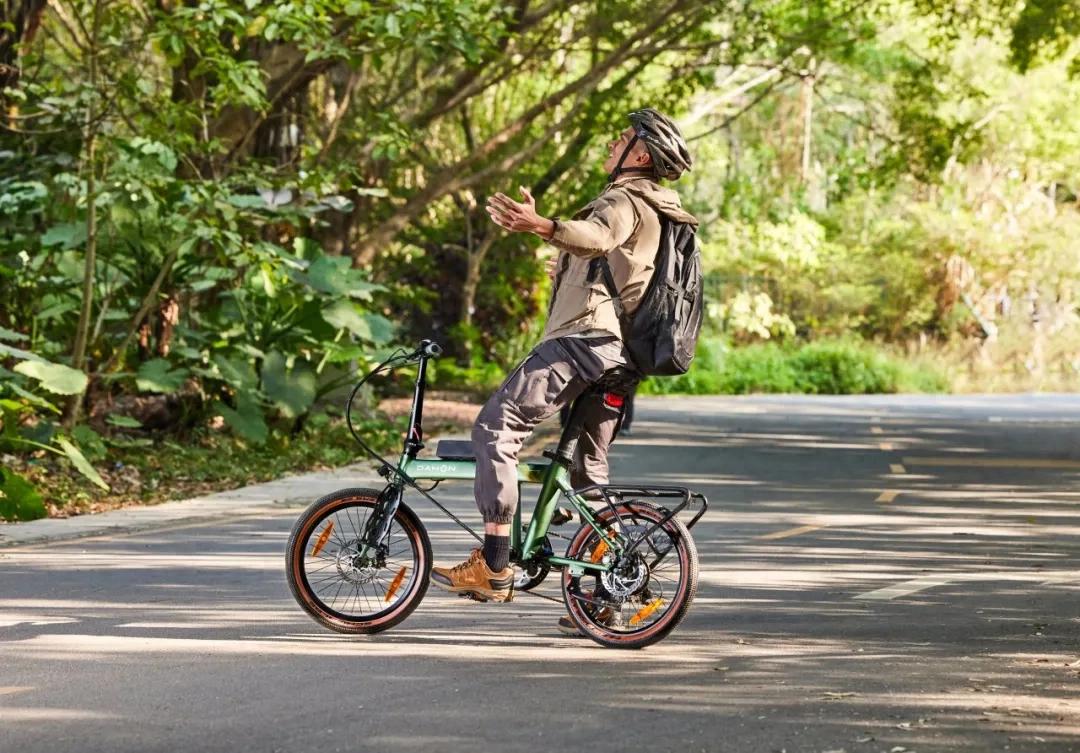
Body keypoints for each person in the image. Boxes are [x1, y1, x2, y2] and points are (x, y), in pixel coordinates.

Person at [430, 108, 697, 618]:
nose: (610, 144)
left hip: (582, 342)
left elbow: (597, 234)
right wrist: (569, 261)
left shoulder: (624, 198)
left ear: (639, 154)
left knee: (495, 427)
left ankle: (494, 563)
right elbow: (614, 262)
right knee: (585, 471)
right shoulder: (662, 210)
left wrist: (543, 225)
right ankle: (613, 597)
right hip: (619, 359)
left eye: (621, 137)